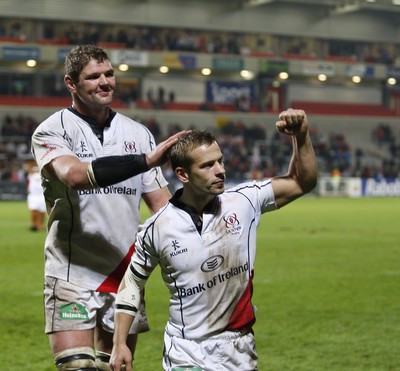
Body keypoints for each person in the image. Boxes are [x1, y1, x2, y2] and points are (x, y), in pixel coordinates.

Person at [110, 108, 318, 371]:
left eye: (220, 161)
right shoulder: (157, 228)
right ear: (183, 174)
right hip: (186, 351)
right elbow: (131, 282)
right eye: (207, 165)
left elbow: (303, 181)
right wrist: (120, 343)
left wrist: (300, 135)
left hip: (239, 348)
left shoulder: (244, 201)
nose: (220, 170)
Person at [31, 44, 186, 371]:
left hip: (127, 276)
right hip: (73, 272)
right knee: (78, 368)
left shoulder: (138, 133)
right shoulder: (52, 130)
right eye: (93, 77)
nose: (105, 82)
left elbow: (162, 208)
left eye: (109, 74)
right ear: (71, 83)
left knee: (115, 368)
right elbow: (74, 176)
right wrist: (144, 161)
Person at [26, 165, 46, 231]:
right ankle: (33, 224)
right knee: (33, 210)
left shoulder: (44, 176)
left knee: (42, 211)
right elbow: (29, 170)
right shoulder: (31, 176)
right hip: (33, 196)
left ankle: (40, 225)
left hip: (41, 195)